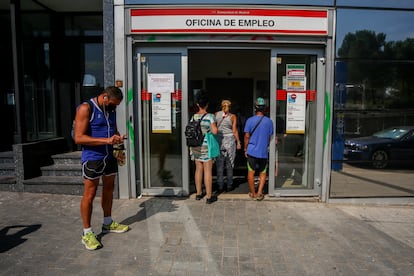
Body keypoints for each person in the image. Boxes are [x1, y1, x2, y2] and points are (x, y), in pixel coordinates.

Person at [74, 86, 129, 250]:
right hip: (93, 158)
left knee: (109, 189)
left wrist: (118, 137)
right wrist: (106, 141)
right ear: (104, 97)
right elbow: (78, 137)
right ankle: (87, 233)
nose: (115, 108)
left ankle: (107, 222)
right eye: (113, 104)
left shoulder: (110, 109)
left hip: (110, 156)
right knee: (89, 194)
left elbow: (112, 129)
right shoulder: (86, 108)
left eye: (117, 105)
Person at [190, 91, 218, 204]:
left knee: (198, 169)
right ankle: (209, 196)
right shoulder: (210, 116)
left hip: (196, 146)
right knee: (208, 171)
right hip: (207, 146)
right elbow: (215, 131)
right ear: (207, 104)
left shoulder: (194, 117)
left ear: (197, 104)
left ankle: (198, 193)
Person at [243, 97, 274, 201]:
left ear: (255, 108)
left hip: (252, 150)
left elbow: (247, 136)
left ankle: (253, 193)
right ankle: (260, 192)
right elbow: (270, 137)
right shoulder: (269, 122)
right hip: (263, 151)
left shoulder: (250, 120)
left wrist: (245, 148)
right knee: (263, 172)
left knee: (251, 172)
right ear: (264, 108)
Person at [214, 100, 242, 192]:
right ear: (230, 107)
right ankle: (229, 184)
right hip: (230, 141)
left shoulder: (215, 115)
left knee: (219, 164)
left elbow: (214, 128)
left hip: (219, 140)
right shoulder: (233, 116)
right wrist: (238, 142)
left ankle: (220, 185)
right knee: (230, 163)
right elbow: (234, 130)